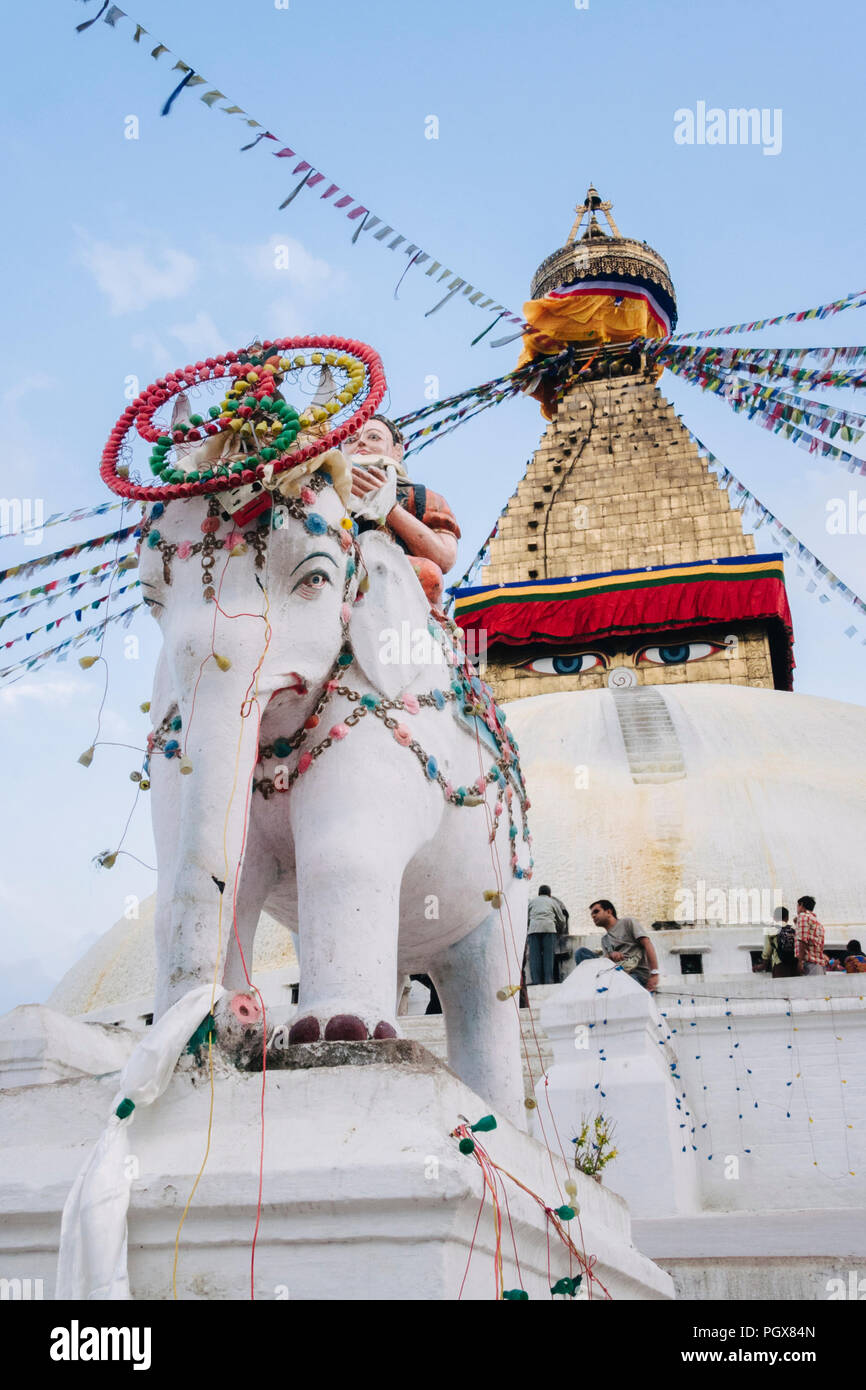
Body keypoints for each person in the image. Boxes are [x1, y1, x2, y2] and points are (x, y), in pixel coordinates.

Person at [343, 416, 460, 607]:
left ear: (397, 452)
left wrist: (390, 509)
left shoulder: (418, 495)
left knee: (426, 573)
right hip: (339, 574)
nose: (360, 442)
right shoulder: (325, 491)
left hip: (401, 597)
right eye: (350, 439)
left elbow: (445, 558)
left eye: (374, 437)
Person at [586, 900, 660, 993]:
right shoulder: (605, 940)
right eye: (592, 914)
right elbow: (606, 964)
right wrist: (611, 956)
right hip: (617, 974)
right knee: (581, 953)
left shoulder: (628, 923)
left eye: (596, 911)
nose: (593, 916)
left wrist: (654, 974)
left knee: (622, 985)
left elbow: (647, 944)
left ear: (609, 912)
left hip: (636, 974)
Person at [527, 885, 568, 985]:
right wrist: (560, 930)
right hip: (549, 929)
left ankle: (536, 981)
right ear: (549, 894)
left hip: (533, 930)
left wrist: (530, 927)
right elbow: (562, 919)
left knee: (534, 957)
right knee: (548, 956)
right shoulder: (552, 902)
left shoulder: (532, 901)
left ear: (538, 893)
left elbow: (526, 918)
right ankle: (548, 981)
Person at [760, 907, 799, 979]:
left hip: (779, 966)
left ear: (774, 918)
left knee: (780, 989)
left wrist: (763, 965)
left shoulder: (770, 930)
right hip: (794, 965)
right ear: (787, 918)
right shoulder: (794, 928)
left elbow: (767, 952)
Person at [795, 895, 825, 976]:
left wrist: (800, 961)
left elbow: (803, 939)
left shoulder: (803, 917)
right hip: (818, 964)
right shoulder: (816, 922)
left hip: (809, 965)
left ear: (801, 905)